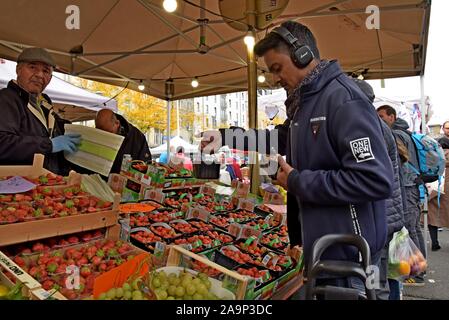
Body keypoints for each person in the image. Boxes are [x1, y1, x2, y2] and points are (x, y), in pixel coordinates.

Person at [204, 21, 393, 294]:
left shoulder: (344, 101)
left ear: (302, 55)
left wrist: (296, 180)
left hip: (350, 261)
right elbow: (277, 137)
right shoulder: (305, 105)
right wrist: (227, 137)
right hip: (324, 254)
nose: (275, 79)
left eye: (278, 68)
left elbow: (374, 180)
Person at [354, 79, 405, 300]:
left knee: (372, 276)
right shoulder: (379, 126)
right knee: (377, 274)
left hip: (379, 217)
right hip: (387, 214)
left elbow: (366, 175)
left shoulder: (370, 127)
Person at [0, 47, 81, 175]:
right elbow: (2, 144)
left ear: (50, 78)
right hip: (16, 185)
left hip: (47, 184)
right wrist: (49, 145)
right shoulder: (6, 98)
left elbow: (59, 132)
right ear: (18, 70)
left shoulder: (45, 105)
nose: (39, 75)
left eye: (46, 71)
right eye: (32, 67)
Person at [377, 105, 426, 286]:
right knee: (412, 230)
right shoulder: (406, 133)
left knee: (408, 232)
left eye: (382, 116)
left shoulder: (395, 135)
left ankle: (416, 273)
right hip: (410, 185)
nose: (379, 120)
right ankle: (416, 270)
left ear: (392, 117)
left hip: (406, 186)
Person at [95, 109, 151, 174]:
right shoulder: (93, 135)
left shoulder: (137, 137)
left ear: (117, 123)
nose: (106, 137)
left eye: (109, 133)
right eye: (101, 134)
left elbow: (145, 166)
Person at [427, 136, 449, 251]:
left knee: (432, 217)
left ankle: (434, 242)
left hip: (435, 190)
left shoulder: (433, 157)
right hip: (447, 193)